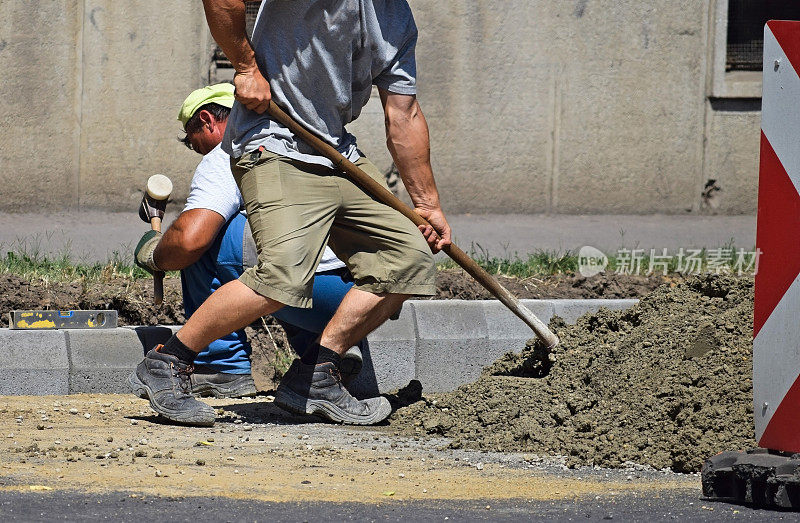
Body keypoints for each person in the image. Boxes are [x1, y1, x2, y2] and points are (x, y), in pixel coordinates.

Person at [130, 0, 451, 427]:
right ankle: (169, 361)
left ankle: (317, 373)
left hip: (336, 150)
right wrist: (245, 66)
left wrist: (427, 205)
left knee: (409, 256)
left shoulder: (394, 18)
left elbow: (404, 113)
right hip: (273, 141)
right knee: (283, 274)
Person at [134, 83, 363, 400]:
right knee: (278, 237)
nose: (196, 148)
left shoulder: (230, 150)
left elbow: (189, 240)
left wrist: (156, 252)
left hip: (314, 293)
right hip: (364, 299)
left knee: (210, 239)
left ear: (207, 120)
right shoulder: (305, 139)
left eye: (192, 140)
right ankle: (320, 355)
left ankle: (221, 364)